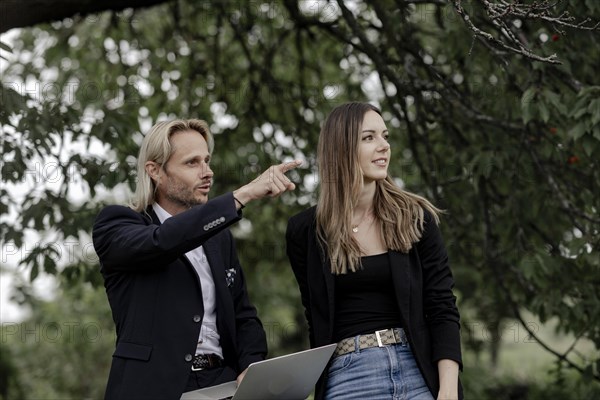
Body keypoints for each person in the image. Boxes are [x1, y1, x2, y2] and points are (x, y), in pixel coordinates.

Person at [93, 118, 301, 400]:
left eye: (207, 160)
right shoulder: (118, 225)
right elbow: (163, 242)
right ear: (155, 170)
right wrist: (242, 195)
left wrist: (250, 367)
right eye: (192, 163)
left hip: (221, 385)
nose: (208, 172)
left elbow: (243, 316)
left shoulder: (219, 239)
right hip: (154, 387)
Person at [286, 102, 462, 400]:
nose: (384, 147)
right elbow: (315, 317)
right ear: (341, 148)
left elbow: (442, 307)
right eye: (369, 138)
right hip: (349, 375)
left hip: (417, 370)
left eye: (385, 136)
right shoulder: (305, 231)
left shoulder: (416, 218)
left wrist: (447, 391)